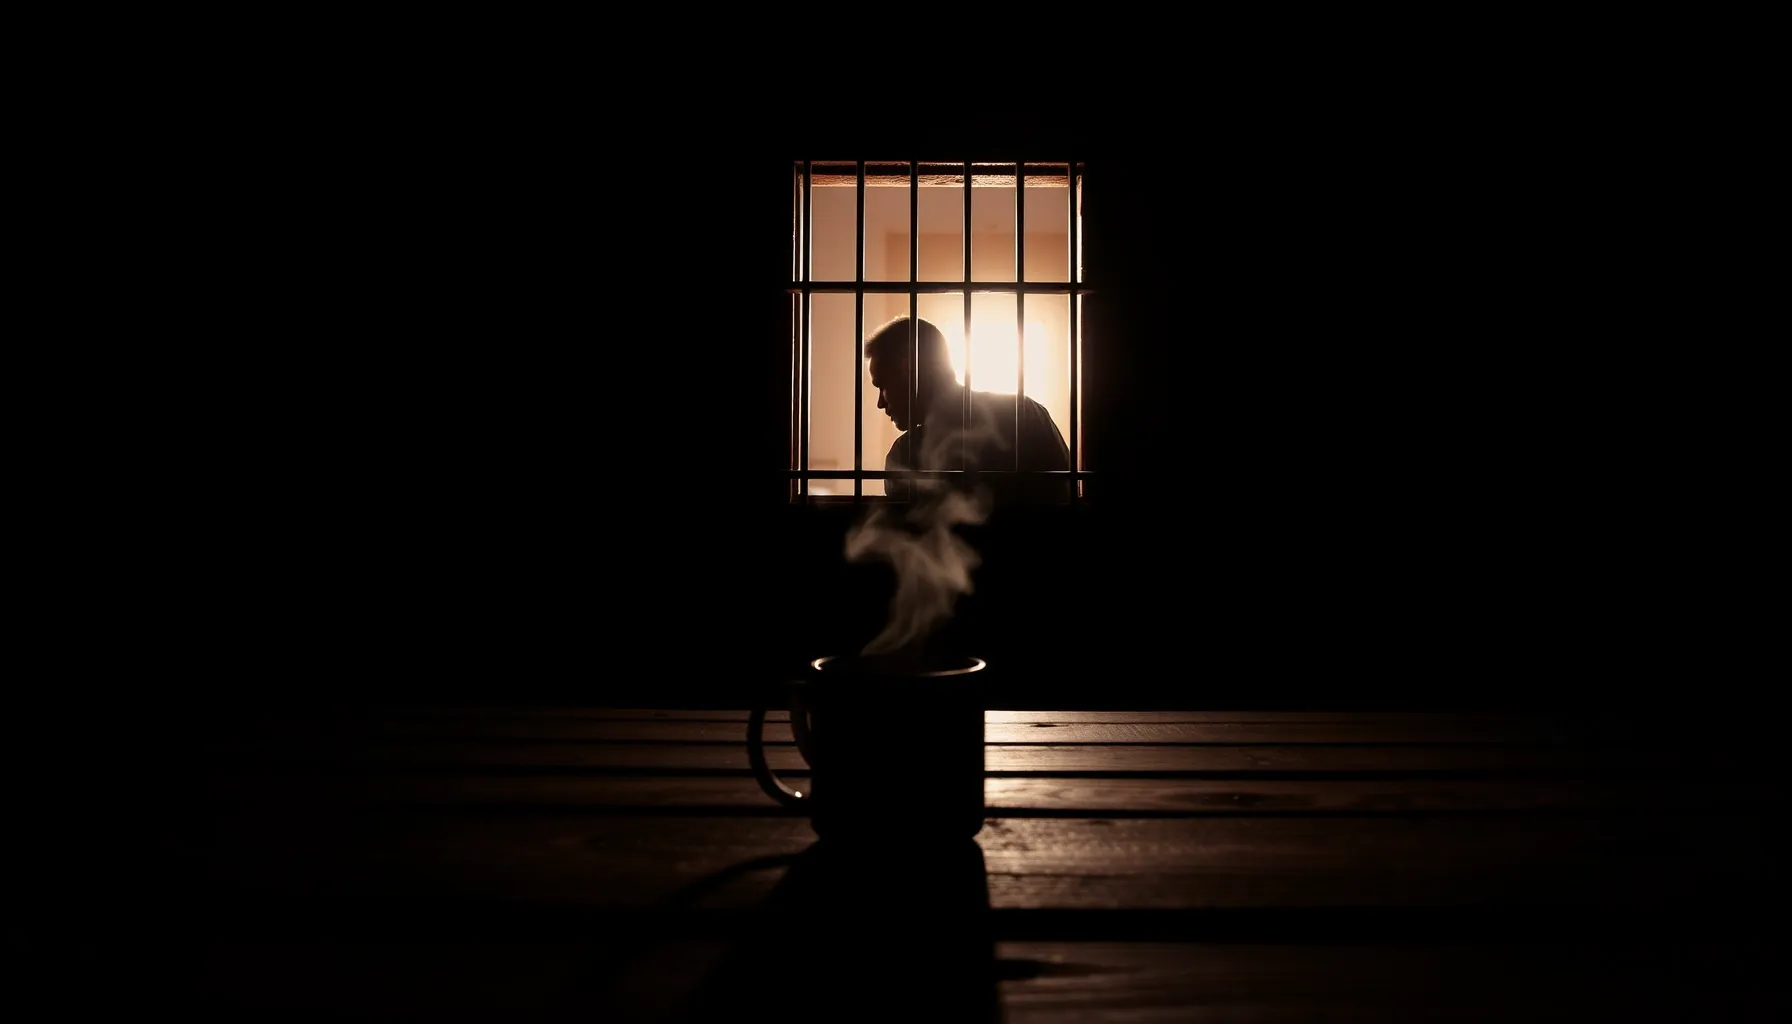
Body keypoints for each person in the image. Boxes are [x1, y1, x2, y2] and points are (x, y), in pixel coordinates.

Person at [864, 315, 1072, 503]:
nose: (880, 403)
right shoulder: (1026, 414)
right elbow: (1065, 505)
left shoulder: (905, 456)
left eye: (882, 386)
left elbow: (905, 529)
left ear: (909, 369)